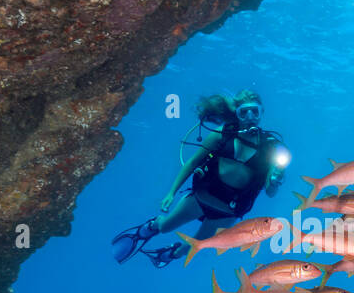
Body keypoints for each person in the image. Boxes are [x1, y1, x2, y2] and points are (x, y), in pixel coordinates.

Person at [112, 90, 291, 267]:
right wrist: (171, 193)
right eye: (244, 111)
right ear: (237, 113)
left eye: (255, 111)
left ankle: (172, 253)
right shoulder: (223, 134)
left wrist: (276, 181)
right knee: (166, 227)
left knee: (195, 246)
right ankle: (153, 226)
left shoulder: (271, 149)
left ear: (262, 113)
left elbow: (270, 192)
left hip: (227, 213)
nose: (250, 116)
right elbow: (192, 163)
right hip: (201, 197)